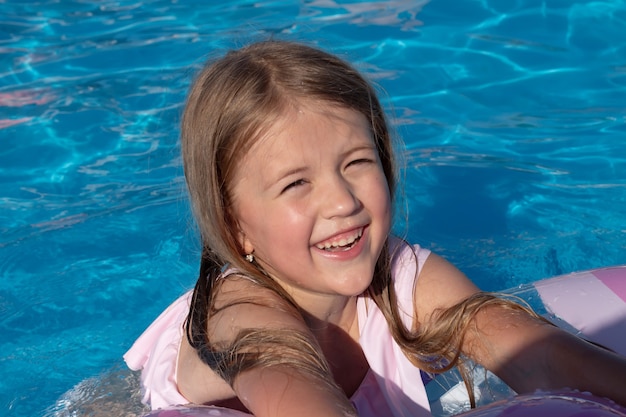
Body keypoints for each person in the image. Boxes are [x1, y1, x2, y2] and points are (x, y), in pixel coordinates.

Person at [124, 40, 626, 417]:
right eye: (296, 183)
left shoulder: (403, 276)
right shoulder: (240, 318)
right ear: (237, 229)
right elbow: (294, 385)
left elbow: (540, 356)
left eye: (356, 162)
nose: (343, 201)